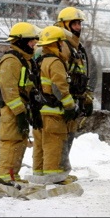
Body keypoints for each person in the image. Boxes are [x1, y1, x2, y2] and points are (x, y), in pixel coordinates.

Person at [31, 26, 77, 185]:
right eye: (61, 43)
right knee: (54, 144)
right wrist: (70, 107)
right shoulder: (55, 62)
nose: (63, 45)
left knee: (40, 145)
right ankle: (54, 177)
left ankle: (39, 174)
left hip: (39, 111)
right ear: (56, 44)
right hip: (53, 112)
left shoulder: (39, 60)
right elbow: (60, 88)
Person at [0, 22, 40, 185]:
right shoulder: (11, 60)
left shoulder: (25, 60)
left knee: (20, 141)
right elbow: (9, 90)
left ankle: (13, 175)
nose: (34, 44)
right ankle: (5, 176)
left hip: (21, 107)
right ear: (21, 41)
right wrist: (19, 112)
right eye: (31, 40)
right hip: (11, 109)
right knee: (10, 140)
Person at [55, 7, 93, 174]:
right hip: (62, 101)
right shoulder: (61, 45)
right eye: (74, 23)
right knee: (59, 138)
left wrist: (86, 98)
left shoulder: (76, 47)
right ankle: (55, 171)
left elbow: (81, 75)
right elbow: (57, 76)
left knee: (68, 136)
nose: (78, 27)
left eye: (79, 23)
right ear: (64, 24)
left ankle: (61, 170)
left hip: (73, 99)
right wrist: (65, 101)